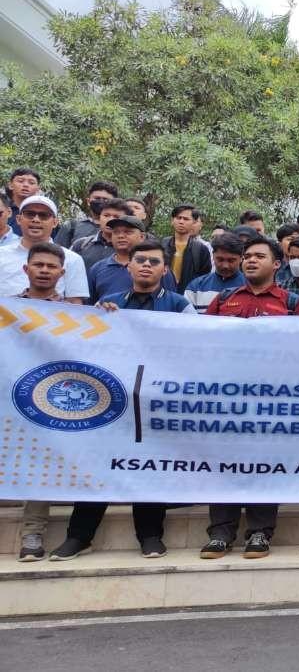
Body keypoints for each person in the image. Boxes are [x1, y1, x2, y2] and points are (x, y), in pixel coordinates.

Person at [49, 240, 192, 562]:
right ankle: (78, 536)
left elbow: (195, 346)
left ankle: (151, 536)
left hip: (157, 401)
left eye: (154, 262)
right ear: (128, 266)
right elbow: (86, 347)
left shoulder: (180, 305)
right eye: (140, 260)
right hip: (111, 401)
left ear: (164, 269)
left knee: (150, 466)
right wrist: (99, 320)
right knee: (101, 464)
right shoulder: (107, 304)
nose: (146, 265)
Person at [201, 237, 299, 560]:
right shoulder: (224, 299)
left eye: (259, 256)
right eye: (247, 256)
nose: (250, 260)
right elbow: (199, 342)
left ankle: (260, 532)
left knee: (265, 464)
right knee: (224, 464)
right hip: (227, 399)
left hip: (271, 400)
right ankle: (220, 533)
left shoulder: (291, 302)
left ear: (277, 264)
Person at [11, 242, 73, 561]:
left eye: (51, 267)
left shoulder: (76, 315)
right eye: (39, 265)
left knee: (38, 466)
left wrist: (110, 317)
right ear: (27, 269)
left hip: (47, 402)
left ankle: (32, 533)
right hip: (7, 399)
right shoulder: (6, 310)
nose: (45, 271)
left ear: (62, 273)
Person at [0, 195, 89, 302]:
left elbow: (75, 304)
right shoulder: (2, 254)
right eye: (30, 214)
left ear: (55, 222)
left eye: (44, 215)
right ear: (19, 219)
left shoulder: (72, 259)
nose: (36, 219)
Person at [87, 215, 178, 302]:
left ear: (142, 237)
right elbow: (89, 306)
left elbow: (170, 304)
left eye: (128, 232)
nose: (121, 236)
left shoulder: (157, 267)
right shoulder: (97, 268)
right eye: (116, 232)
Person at [184, 233, 246, 313]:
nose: (225, 266)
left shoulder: (251, 287)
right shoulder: (195, 287)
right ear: (213, 256)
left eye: (231, 260)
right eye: (220, 259)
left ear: (241, 258)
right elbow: (187, 319)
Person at [70, 197, 132, 272]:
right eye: (106, 215)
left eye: (116, 217)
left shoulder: (131, 249)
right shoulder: (81, 244)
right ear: (100, 218)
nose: (110, 220)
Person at [162, 204, 211, 292]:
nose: (181, 221)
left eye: (186, 219)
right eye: (178, 218)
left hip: (188, 295)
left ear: (194, 223)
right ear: (172, 221)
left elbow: (204, 278)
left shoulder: (201, 250)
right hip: (163, 294)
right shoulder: (162, 245)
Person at [55, 181, 119, 248]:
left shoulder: (122, 228)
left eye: (106, 199)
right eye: (97, 198)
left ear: (115, 203)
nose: (101, 202)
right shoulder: (71, 226)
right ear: (88, 201)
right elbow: (56, 253)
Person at [4, 168, 41, 236]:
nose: (26, 185)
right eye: (20, 181)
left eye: (31, 183)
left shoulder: (45, 213)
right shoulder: (3, 210)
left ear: (38, 189)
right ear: (11, 185)